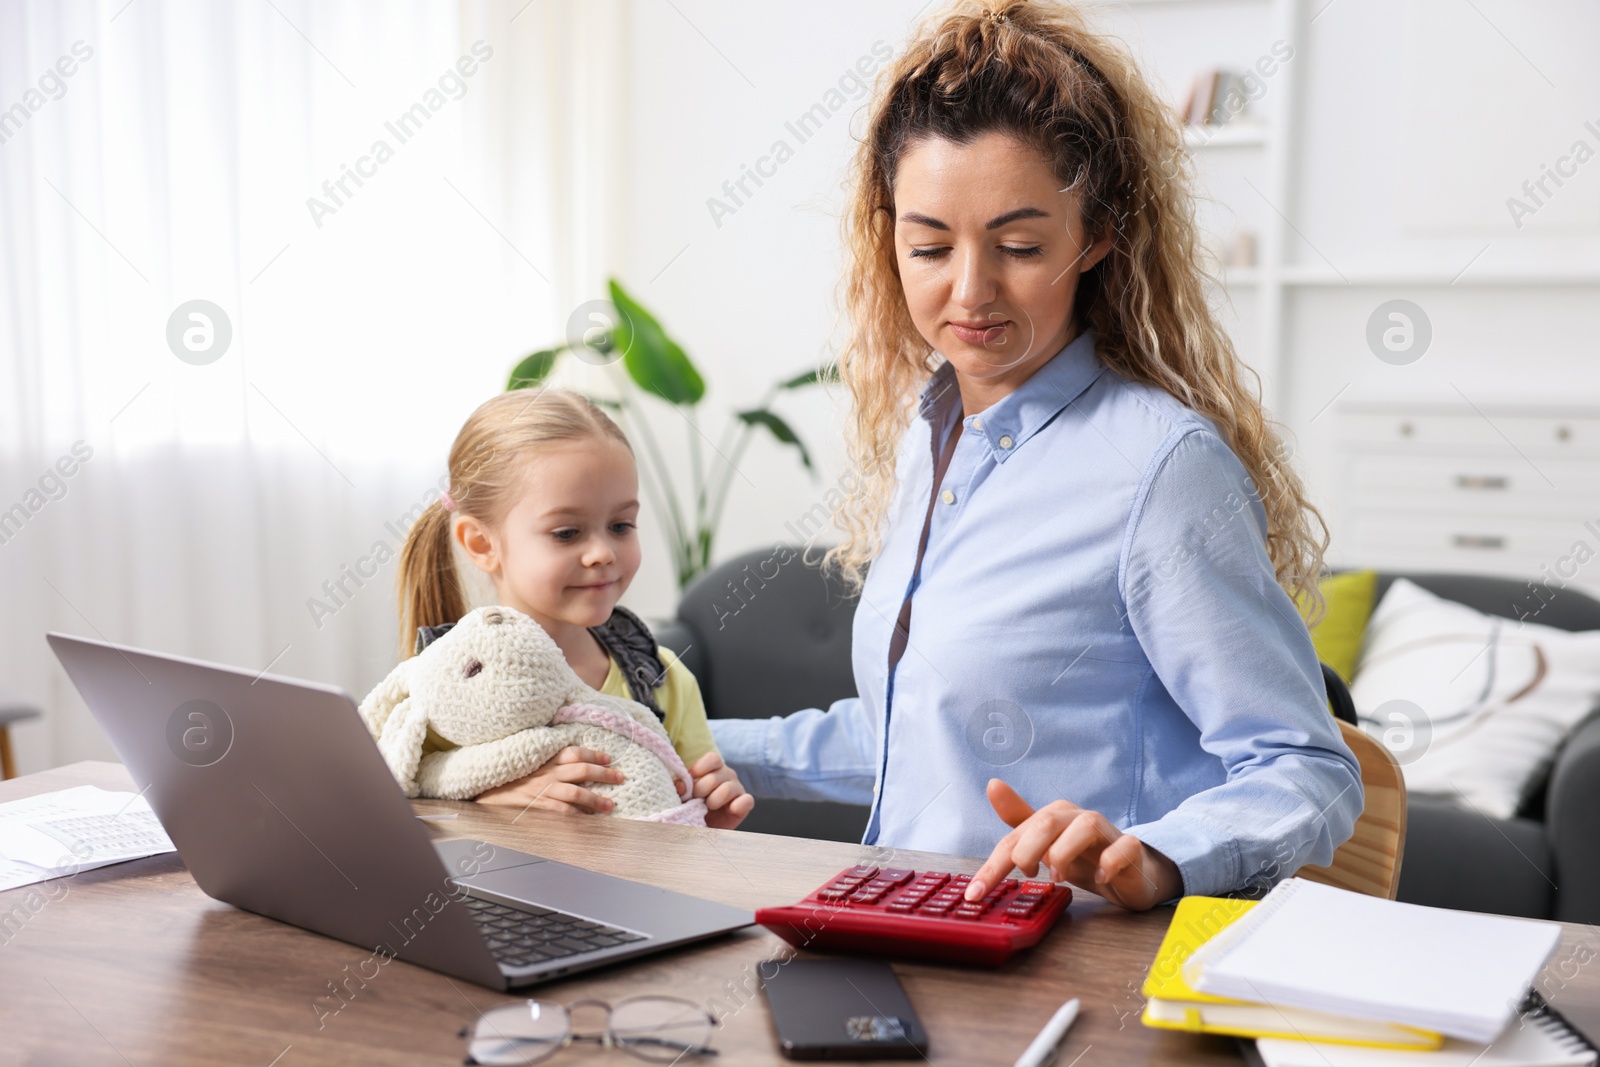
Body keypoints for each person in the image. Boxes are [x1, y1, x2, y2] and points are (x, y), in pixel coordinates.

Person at [711, 0, 1361, 909]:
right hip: (919, 939)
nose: (970, 291)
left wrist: (1158, 853)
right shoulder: (932, 439)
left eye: (1019, 245)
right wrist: (662, 738)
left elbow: (1307, 765)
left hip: (1082, 976)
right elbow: (920, 738)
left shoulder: (1161, 468)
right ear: (886, 238)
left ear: (1096, 235)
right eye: (929, 245)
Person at [394, 390, 754, 828]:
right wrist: (488, 796)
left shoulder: (663, 682)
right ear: (482, 544)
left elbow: (687, 842)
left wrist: (712, 819)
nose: (602, 552)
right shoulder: (445, 684)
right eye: (567, 533)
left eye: (621, 525)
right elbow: (396, 806)